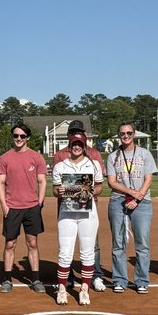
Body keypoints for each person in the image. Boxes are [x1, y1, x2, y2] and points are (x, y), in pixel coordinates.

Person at [53, 120, 107, 291]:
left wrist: (92, 191)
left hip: (88, 209)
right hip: (67, 209)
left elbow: (100, 187)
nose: (76, 146)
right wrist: (60, 191)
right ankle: (64, 285)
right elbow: (55, 190)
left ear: (84, 143)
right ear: (69, 142)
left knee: (89, 250)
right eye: (73, 143)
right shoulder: (60, 161)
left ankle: (89, 284)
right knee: (65, 251)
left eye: (80, 143)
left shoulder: (94, 160)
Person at [104, 122, 157, 294]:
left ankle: (141, 280)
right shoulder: (113, 156)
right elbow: (112, 182)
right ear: (119, 136)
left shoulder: (144, 154)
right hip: (118, 201)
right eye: (122, 133)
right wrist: (130, 192)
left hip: (142, 202)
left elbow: (148, 179)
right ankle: (119, 279)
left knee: (142, 243)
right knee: (118, 242)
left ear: (134, 134)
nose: (125, 136)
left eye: (129, 133)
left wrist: (137, 197)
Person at [0, 124, 48, 293]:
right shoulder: (5, 158)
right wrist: (4, 206)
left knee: (32, 243)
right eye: (16, 136)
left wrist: (39, 203)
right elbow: (0, 183)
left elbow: (42, 181)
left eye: (22, 136)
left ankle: (36, 279)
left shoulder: (36, 157)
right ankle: (7, 279)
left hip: (31, 207)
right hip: (12, 207)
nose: (19, 139)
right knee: (10, 244)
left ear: (28, 138)